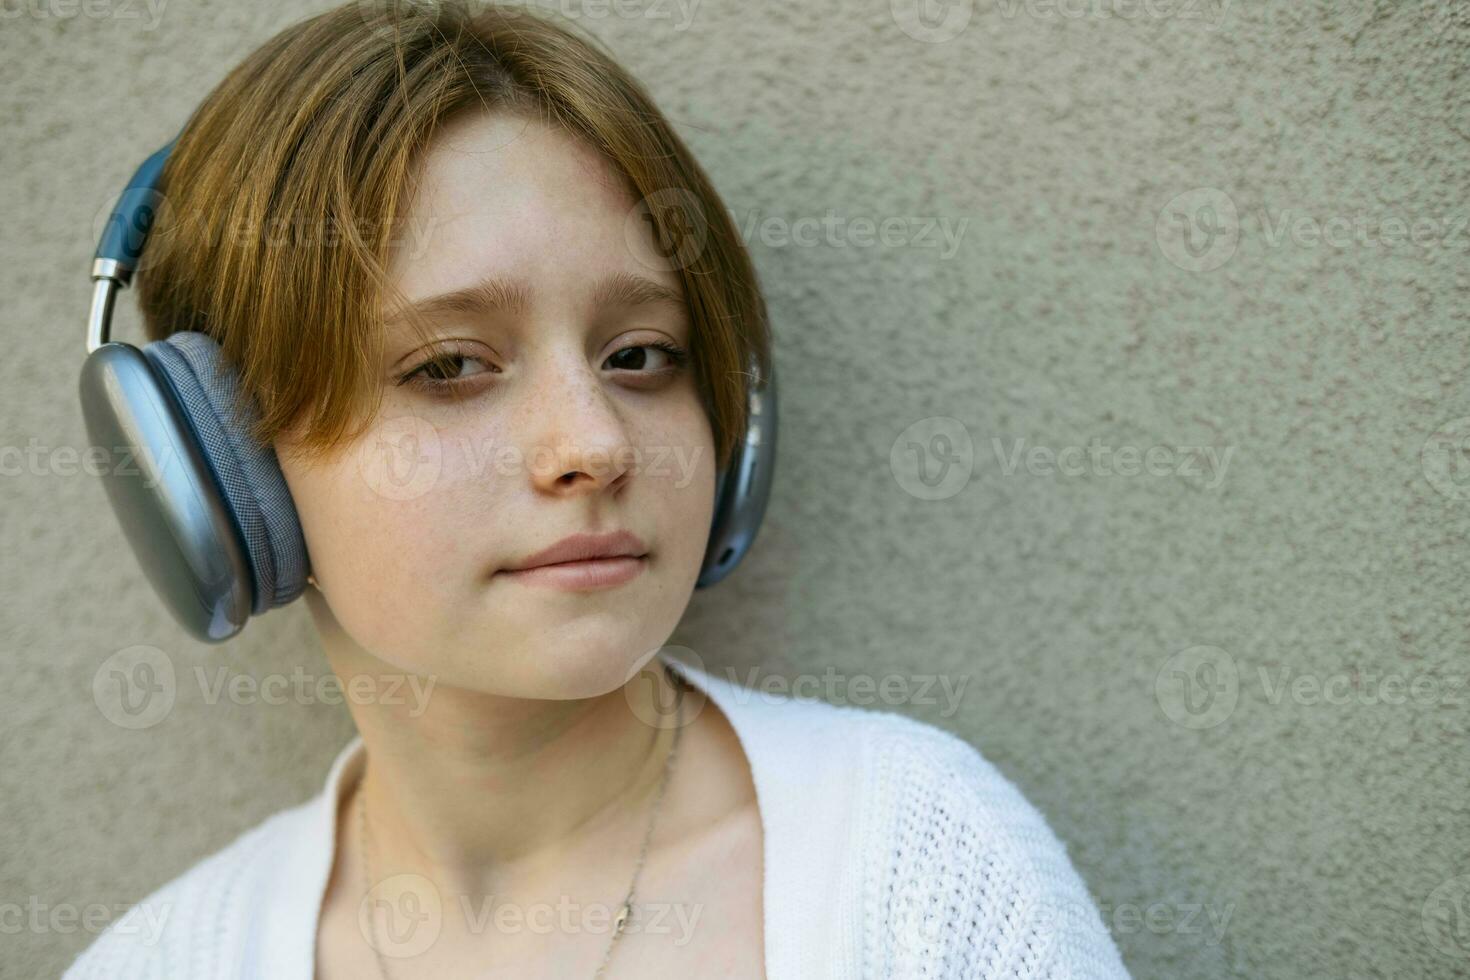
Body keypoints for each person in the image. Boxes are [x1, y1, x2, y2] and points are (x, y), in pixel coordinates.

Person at [63, 2, 1131, 977]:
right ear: (219, 466)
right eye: (449, 366)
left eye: (642, 353)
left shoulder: (919, 869)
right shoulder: (159, 957)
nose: (595, 443)